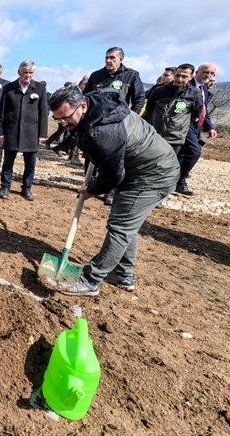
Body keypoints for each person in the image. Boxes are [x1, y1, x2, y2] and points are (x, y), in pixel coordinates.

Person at [49, 86, 179, 296]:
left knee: (120, 226)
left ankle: (92, 279)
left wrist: (92, 189)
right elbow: (110, 90)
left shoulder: (103, 134)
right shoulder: (95, 101)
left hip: (152, 175)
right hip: (139, 166)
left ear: (82, 106)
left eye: (66, 117)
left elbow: (112, 176)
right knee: (127, 223)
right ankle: (122, 273)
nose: (63, 124)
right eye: (58, 119)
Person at [84, 47, 144, 205]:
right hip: (97, 123)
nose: (109, 61)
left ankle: (110, 191)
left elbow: (139, 99)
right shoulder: (96, 76)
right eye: (107, 58)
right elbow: (86, 98)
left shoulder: (131, 75)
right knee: (92, 154)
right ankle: (89, 185)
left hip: (118, 124)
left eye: (112, 58)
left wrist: (132, 117)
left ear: (121, 59)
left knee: (115, 158)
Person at [0, 61, 48, 200]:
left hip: (32, 132)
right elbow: (1, 112)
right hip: (11, 131)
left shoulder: (40, 88)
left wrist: (42, 134)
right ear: (19, 72)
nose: (28, 75)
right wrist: (1, 132)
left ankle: (26, 188)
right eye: (25, 72)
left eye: (31, 73)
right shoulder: (8, 88)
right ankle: (5, 187)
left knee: (30, 164)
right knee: (8, 162)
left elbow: (43, 112)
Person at [176, 63, 218, 196]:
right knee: (194, 151)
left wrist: (210, 127)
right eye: (206, 72)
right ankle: (179, 182)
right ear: (197, 72)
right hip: (183, 124)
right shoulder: (188, 85)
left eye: (212, 74)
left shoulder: (203, 88)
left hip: (196, 126)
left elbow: (203, 110)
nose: (209, 75)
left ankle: (176, 181)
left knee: (184, 154)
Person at [144, 64, 202, 155]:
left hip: (175, 139)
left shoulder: (195, 94)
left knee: (167, 166)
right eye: (178, 75)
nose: (179, 79)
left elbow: (195, 114)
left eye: (184, 76)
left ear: (191, 77)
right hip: (153, 136)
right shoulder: (159, 91)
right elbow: (149, 109)